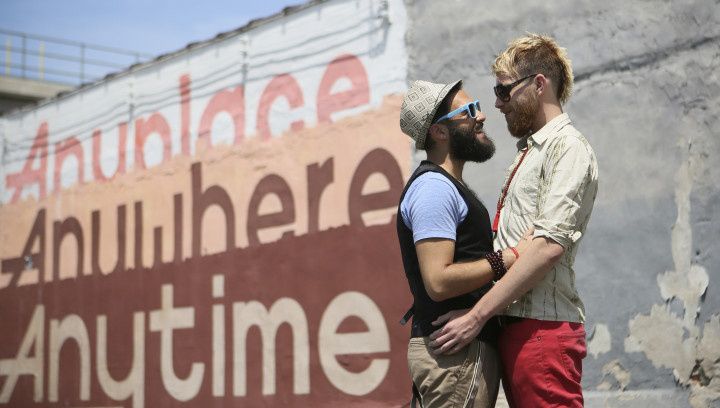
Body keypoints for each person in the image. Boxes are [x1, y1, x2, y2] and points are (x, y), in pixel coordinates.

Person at [428, 34, 599, 408]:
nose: (497, 103)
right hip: (521, 329)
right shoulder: (532, 151)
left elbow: (547, 249)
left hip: (541, 333)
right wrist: (480, 313)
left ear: (539, 84)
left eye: (503, 90)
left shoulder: (567, 148)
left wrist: (476, 316)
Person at [397, 79, 529, 407]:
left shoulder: (448, 187)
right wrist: (508, 258)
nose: (481, 116)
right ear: (439, 132)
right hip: (455, 359)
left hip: (461, 356)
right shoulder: (434, 189)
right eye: (469, 111)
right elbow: (438, 282)